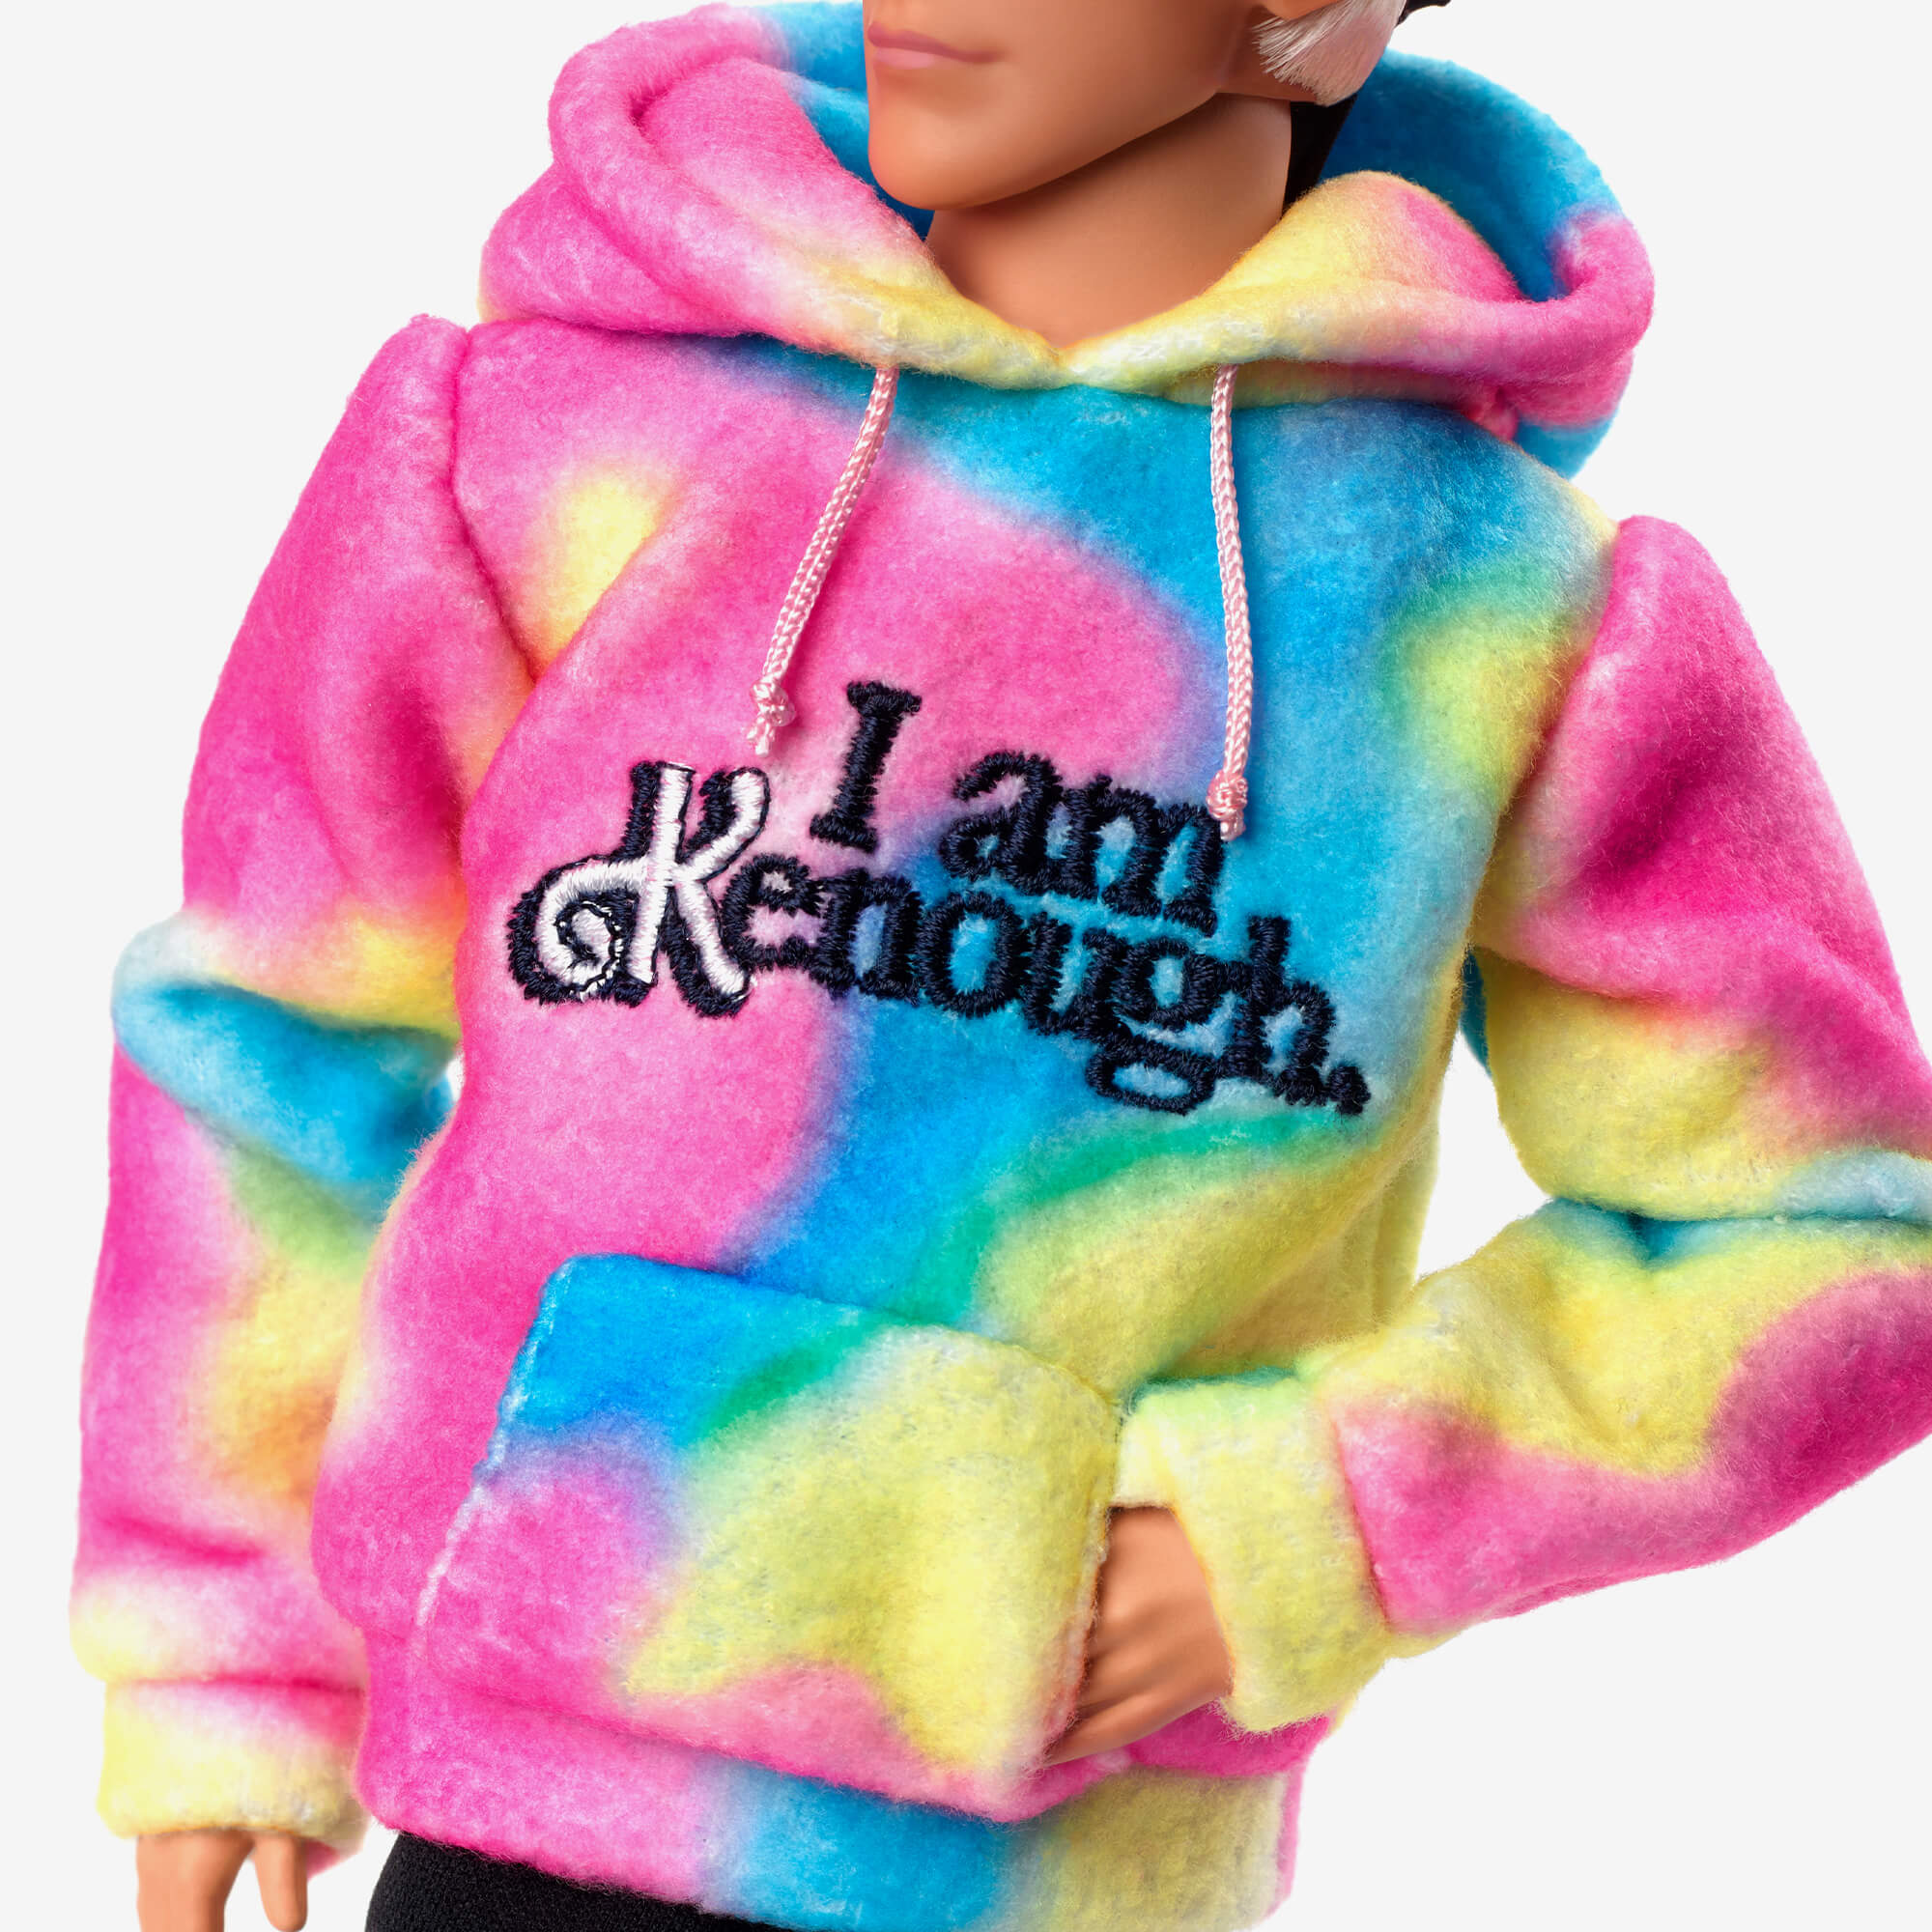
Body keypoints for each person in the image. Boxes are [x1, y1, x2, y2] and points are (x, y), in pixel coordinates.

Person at [75, 1, 1932, 1928]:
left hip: (1069, 1859)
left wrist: (1309, 1521)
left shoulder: (1507, 609)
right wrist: (222, 1654)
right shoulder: (542, 443)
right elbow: (265, 1047)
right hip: (526, 1803)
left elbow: (1839, 1232)